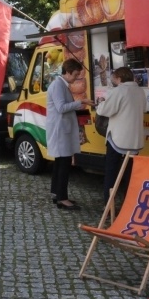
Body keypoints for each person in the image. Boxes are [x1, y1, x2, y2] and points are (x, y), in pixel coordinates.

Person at [46, 58, 93, 211]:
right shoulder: (58, 85)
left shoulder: (61, 85)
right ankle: (62, 198)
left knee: (60, 163)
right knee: (64, 164)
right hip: (60, 131)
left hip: (61, 129)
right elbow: (61, 107)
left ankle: (56, 193)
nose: (76, 78)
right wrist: (81, 102)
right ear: (67, 72)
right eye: (75, 75)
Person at [95, 67, 147, 203]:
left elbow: (105, 110)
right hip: (135, 140)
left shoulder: (118, 91)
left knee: (111, 173)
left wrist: (100, 103)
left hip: (118, 139)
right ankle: (128, 203)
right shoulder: (140, 91)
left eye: (114, 78)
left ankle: (109, 203)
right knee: (130, 175)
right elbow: (144, 109)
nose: (113, 81)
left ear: (119, 78)